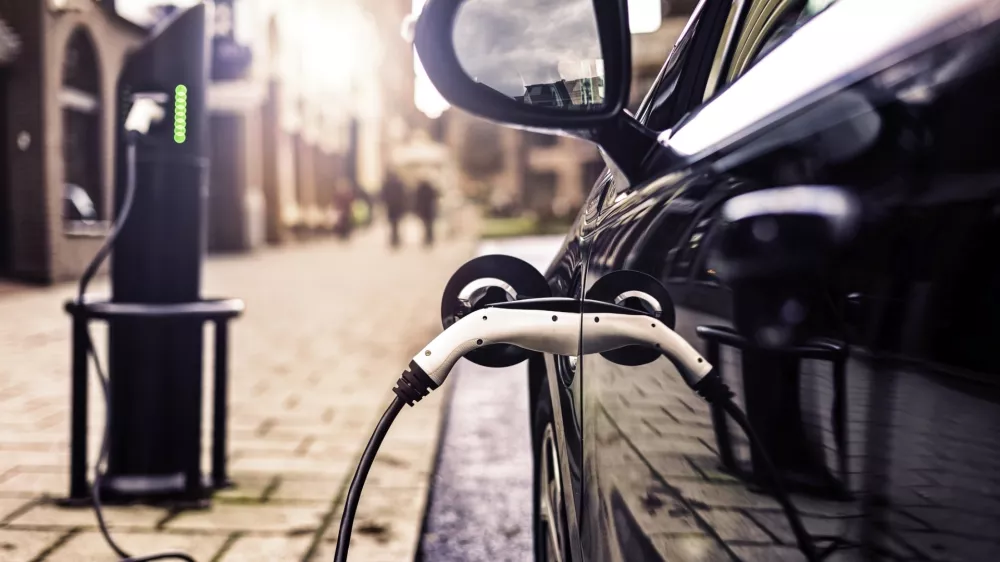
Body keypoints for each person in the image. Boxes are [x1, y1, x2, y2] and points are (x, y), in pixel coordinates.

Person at [381, 171, 406, 248]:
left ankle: (393, 238)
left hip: (391, 207)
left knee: (393, 224)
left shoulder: (387, 184)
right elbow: (403, 196)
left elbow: (383, 196)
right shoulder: (399, 184)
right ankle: (395, 238)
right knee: (396, 224)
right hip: (397, 207)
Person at [414, 179, 439, 247]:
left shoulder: (420, 189)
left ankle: (427, 239)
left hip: (423, 210)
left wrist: (417, 209)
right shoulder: (430, 188)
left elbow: (417, 200)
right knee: (429, 225)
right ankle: (430, 239)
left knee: (426, 225)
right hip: (429, 210)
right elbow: (436, 196)